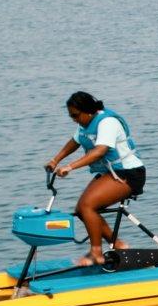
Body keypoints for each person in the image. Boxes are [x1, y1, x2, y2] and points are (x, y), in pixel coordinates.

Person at [45, 92, 148, 266]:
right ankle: (118, 244)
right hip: (112, 172)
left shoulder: (107, 122)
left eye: (75, 115)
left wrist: (70, 167)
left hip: (130, 173)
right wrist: (55, 160)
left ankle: (96, 254)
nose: (74, 119)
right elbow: (75, 141)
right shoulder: (85, 123)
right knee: (81, 209)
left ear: (88, 111)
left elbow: (99, 151)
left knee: (87, 206)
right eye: (71, 116)